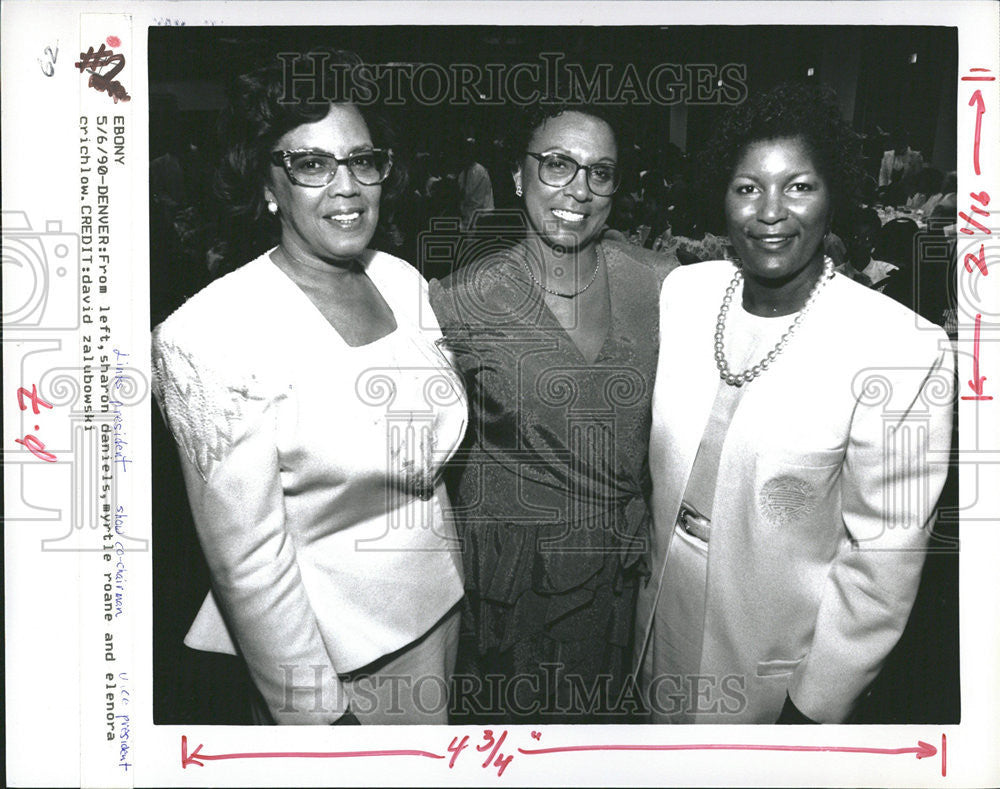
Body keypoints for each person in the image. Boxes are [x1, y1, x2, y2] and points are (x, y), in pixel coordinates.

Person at [150, 51, 468, 725]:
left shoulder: (401, 281)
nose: (346, 186)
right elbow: (249, 565)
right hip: (327, 658)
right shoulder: (208, 335)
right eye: (313, 164)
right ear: (268, 184)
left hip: (437, 615)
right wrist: (319, 721)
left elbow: (428, 472)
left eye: (362, 160)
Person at [637, 83, 953, 724]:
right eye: (748, 187)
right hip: (660, 617)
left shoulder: (897, 346)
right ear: (722, 199)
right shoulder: (687, 294)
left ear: (834, 196)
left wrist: (815, 703)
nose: (770, 211)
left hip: (774, 654)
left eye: (799, 186)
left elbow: (881, 564)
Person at [431, 102, 678, 723]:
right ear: (518, 177)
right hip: (517, 586)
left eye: (601, 172)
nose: (579, 190)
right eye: (557, 165)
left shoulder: (655, 285)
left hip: (620, 570)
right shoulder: (463, 301)